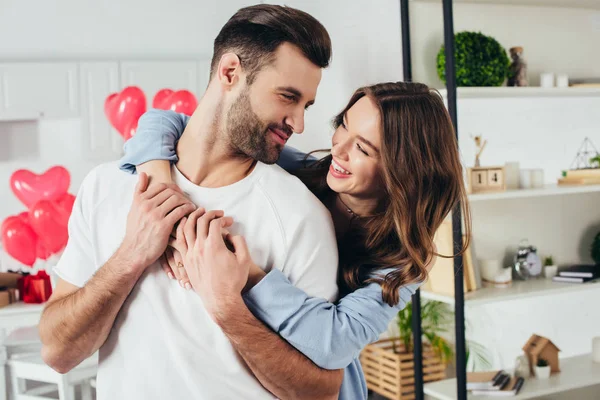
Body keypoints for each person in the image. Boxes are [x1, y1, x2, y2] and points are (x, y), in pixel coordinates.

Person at [39, 5, 347, 400]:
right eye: (288, 97)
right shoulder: (106, 186)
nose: (298, 123)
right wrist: (130, 256)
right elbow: (58, 353)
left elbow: (321, 391)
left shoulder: (302, 216)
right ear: (230, 73)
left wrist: (227, 308)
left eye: (306, 105)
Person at [120, 82, 472, 399]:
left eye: (363, 149)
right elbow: (167, 120)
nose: (339, 150)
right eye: (343, 126)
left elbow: (334, 343)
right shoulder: (299, 172)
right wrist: (162, 186)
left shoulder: (402, 264)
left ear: (403, 171)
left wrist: (247, 275)